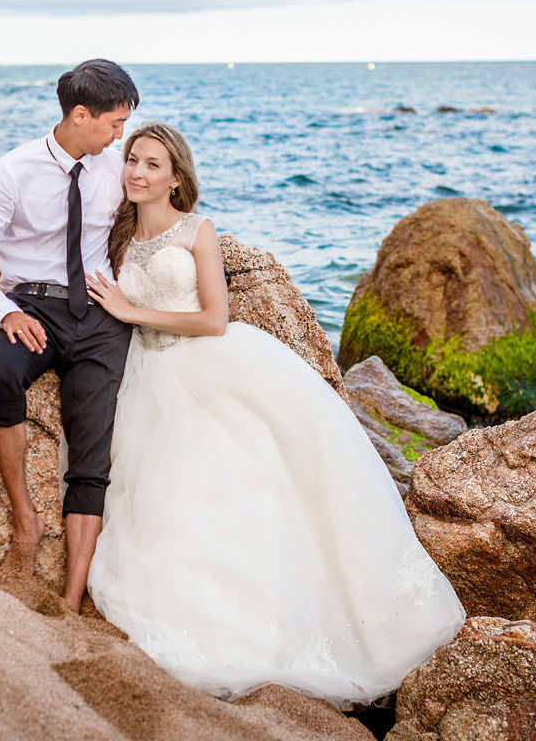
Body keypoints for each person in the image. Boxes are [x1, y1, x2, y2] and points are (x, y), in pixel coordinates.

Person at [84, 123, 466, 709]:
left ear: (177, 178)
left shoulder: (197, 231)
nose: (137, 171)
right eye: (132, 159)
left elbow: (214, 318)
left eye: (152, 164)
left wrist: (133, 310)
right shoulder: (120, 236)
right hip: (148, 375)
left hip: (210, 361)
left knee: (253, 479)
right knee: (163, 500)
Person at [0, 59, 139, 611]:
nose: (119, 136)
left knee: (92, 443)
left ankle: (72, 593)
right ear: (80, 115)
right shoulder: (14, 171)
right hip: (33, 303)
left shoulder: (115, 169)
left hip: (100, 312)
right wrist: (2, 311)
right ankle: (25, 520)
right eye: (114, 123)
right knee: (1, 377)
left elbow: (157, 214)